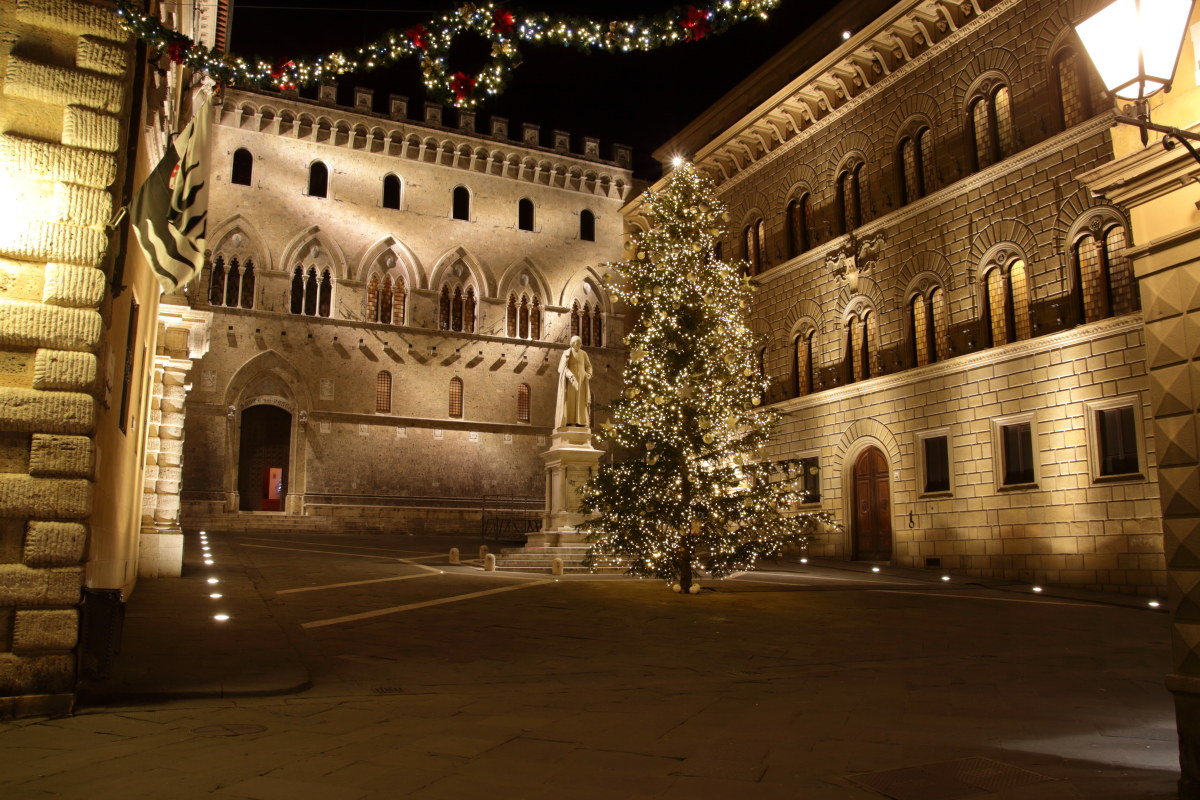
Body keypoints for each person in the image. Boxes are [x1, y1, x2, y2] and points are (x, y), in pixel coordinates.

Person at [555, 335, 592, 428]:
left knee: (581, 401)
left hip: (582, 382)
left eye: (580, 343)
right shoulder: (567, 353)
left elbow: (588, 366)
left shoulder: (584, 354)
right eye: (578, 342)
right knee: (570, 400)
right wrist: (570, 375)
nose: (580, 344)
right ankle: (569, 421)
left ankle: (581, 421)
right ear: (572, 343)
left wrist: (589, 373)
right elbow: (562, 368)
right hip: (571, 382)